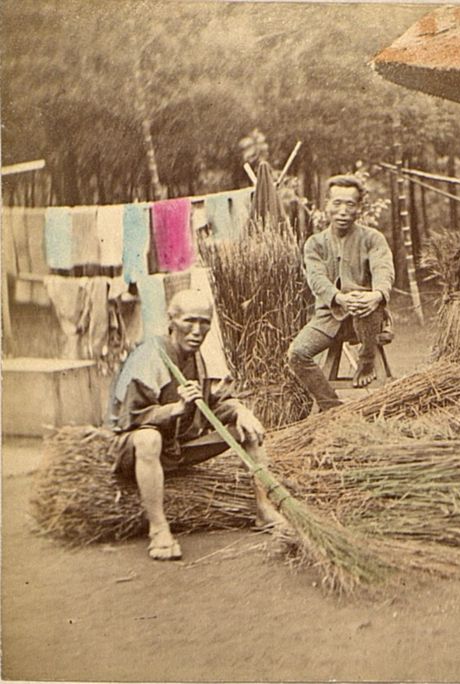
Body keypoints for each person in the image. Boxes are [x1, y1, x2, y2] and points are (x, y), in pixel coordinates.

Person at [109, 289, 285, 561]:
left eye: (204, 322)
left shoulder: (199, 358)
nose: (197, 330)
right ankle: (159, 529)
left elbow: (214, 402)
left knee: (249, 430)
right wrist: (175, 409)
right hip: (135, 449)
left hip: (177, 447)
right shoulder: (150, 356)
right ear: (171, 320)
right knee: (149, 439)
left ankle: (264, 508)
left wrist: (240, 410)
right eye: (189, 321)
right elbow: (130, 420)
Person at [287, 175, 395, 409]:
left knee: (364, 299)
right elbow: (317, 280)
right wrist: (339, 298)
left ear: (359, 208)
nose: (343, 211)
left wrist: (376, 295)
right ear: (326, 205)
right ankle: (332, 407)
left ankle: (366, 360)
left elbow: (383, 270)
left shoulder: (373, 238)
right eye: (337, 203)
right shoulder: (314, 244)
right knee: (297, 353)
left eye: (350, 204)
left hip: (368, 316)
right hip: (329, 318)